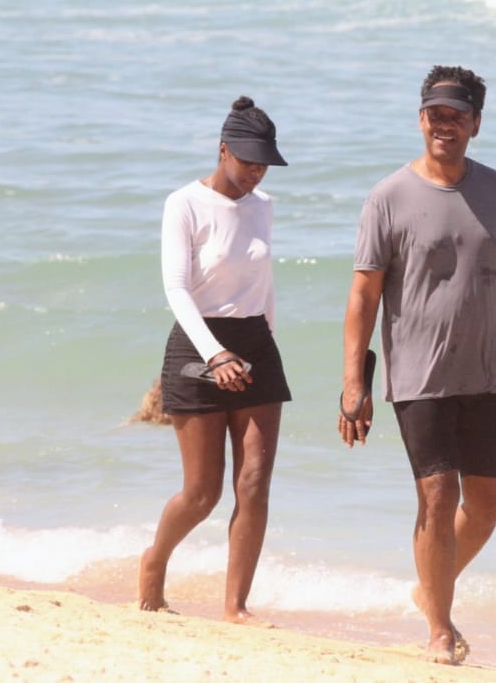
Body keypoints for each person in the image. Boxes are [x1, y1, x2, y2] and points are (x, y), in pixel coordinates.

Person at [339, 65, 496, 665]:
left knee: (490, 501)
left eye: (458, 115)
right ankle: (439, 629)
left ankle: (429, 589)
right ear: (421, 118)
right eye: (435, 113)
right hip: (416, 377)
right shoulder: (388, 197)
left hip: (483, 374)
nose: (445, 124)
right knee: (438, 497)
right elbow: (364, 294)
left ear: (476, 123)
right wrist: (353, 384)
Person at [140, 96, 290, 624]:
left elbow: (262, 283)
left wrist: (263, 346)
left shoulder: (264, 206)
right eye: (247, 159)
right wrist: (217, 352)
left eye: (263, 163)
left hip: (255, 346)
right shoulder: (183, 203)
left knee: (253, 481)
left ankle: (236, 606)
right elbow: (176, 288)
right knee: (202, 492)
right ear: (223, 149)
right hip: (198, 345)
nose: (255, 171)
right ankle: (154, 564)